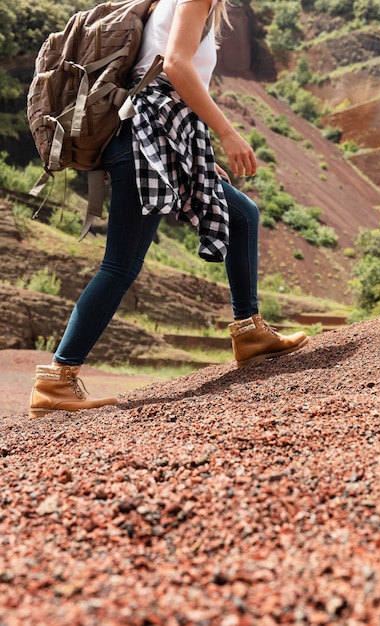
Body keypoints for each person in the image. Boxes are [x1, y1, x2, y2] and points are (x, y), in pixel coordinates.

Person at [29, 0, 309, 419]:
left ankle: (249, 332)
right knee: (120, 266)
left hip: (156, 132)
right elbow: (175, 66)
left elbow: (159, 75)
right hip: (147, 136)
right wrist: (228, 134)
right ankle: (57, 378)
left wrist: (197, 154)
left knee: (240, 214)